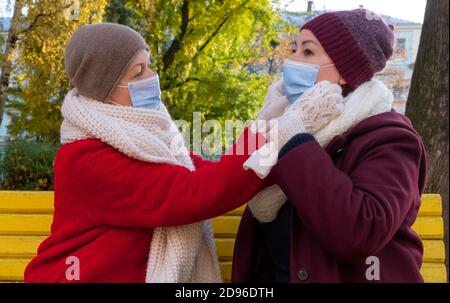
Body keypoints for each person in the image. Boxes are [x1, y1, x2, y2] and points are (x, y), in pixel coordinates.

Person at [24, 23, 341, 283]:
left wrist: (269, 121)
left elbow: (200, 170)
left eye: (148, 65)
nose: (151, 77)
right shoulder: (86, 159)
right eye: (138, 72)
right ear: (106, 88)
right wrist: (286, 128)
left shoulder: (142, 134)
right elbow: (193, 193)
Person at [232, 9, 428, 283]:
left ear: (345, 72)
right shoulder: (283, 121)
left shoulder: (392, 139)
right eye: (294, 49)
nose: (292, 61)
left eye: (309, 53)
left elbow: (358, 233)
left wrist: (296, 139)